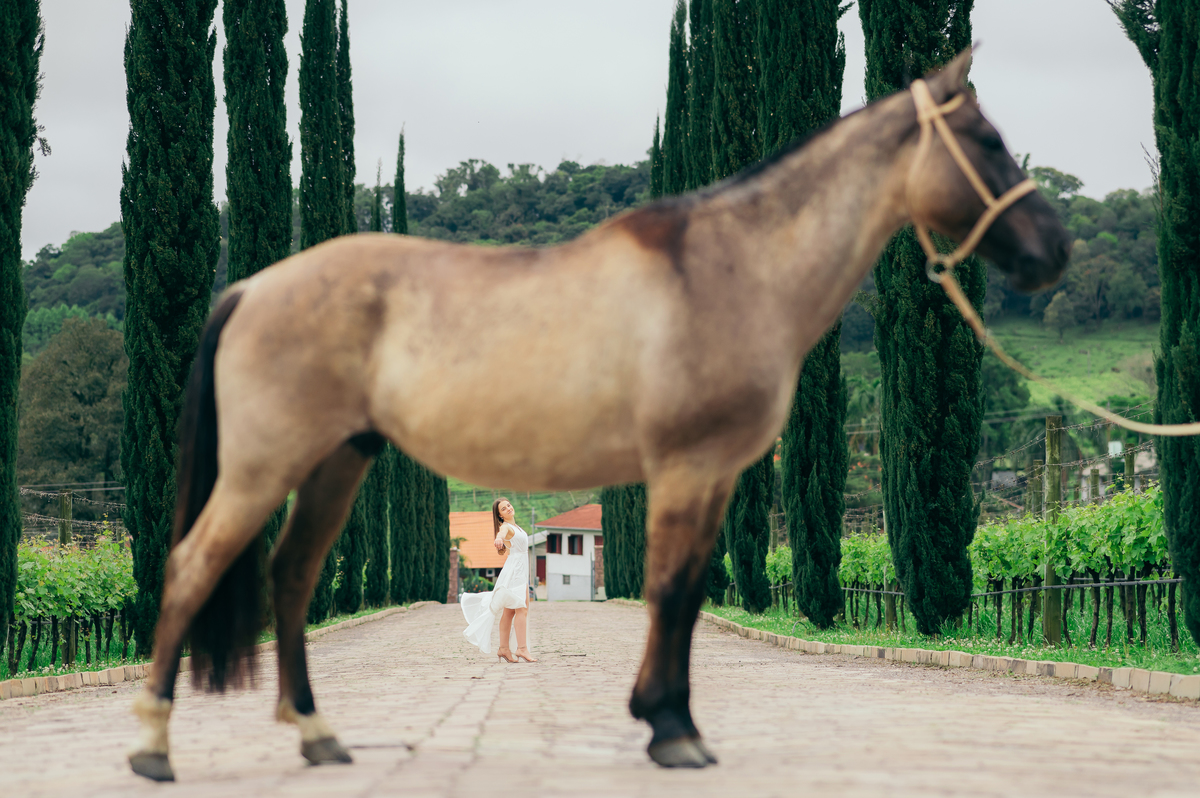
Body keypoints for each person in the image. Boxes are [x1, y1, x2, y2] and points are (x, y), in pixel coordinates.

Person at [461, 498, 537, 662]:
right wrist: (499, 538)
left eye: (508, 505)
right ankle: (522, 649)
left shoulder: (516, 527)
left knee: (510, 611)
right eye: (503, 508)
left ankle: (503, 648)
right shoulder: (506, 527)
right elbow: (501, 533)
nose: (508, 508)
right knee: (522, 609)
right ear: (500, 515)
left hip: (518, 571)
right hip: (516, 572)